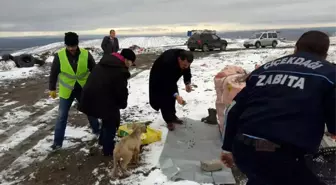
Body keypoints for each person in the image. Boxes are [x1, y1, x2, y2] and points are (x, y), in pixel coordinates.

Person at [220, 30, 335, 185]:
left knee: (261, 179)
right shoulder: (329, 74)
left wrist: (228, 148)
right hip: (284, 156)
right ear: (325, 53)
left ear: (296, 47)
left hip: (244, 149)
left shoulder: (264, 69)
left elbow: (233, 110)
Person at [78, 49, 136, 156]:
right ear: (127, 60)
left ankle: (103, 141)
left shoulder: (107, 61)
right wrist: (123, 103)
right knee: (111, 122)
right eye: (131, 63)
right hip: (100, 97)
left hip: (90, 95)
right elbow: (120, 91)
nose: (130, 66)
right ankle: (108, 150)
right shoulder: (120, 70)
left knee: (106, 118)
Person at [49, 32, 100, 150]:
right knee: (62, 116)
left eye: (74, 46)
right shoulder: (59, 56)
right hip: (66, 91)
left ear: (77, 44)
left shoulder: (86, 54)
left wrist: (97, 85)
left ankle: (97, 131)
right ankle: (57, 143)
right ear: (65, 45)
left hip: (83, 89)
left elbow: (95, 70)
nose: (71, 49)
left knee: (91, 111)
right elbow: (54, 73)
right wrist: (51, 88)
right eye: (69, 46)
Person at [149, 49, 194, 131]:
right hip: (159, 77)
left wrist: (187, 83)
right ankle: (168, 120)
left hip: (169, 79)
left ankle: (173, 116)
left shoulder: (185, 59)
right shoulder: (167, 62)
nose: (186, 67)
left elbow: (187, 71)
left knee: (172, 96)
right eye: (184, 65)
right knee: (164, 97)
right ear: (179, 59)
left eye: (188, 65)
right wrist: (176, 95)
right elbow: (168, 83)